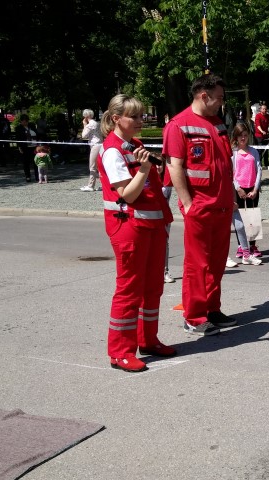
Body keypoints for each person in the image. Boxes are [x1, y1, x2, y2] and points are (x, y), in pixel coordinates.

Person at [97, 94, 175, 372]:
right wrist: (144, 168)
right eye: (135, 116)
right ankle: (120, 352)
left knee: (153, 287)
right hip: (129, 228)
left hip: (151, 226)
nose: (141, 120)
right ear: (116, 119)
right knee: (129, 290)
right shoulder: (112, 151)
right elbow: (128, 195)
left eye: (142, 115)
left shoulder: (135, 145)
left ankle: (148, 340)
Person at [163, 73, 238, 336]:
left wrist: (231, 196)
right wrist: (187, 203)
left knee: (216, 262)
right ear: (204, 96)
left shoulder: (217, 123)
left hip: (222, 204)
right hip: (200, 206)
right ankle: (194, 316)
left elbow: (225, 164)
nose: (221, 103)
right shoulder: (178, 125)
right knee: (198, 265)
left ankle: (212, 309)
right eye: (219, 98)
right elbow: (174, 167)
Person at [230, 123, 263, 265]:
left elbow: (259, 170)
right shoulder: (233, 153)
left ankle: (252, 245)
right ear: (236, 137)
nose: (243, 138)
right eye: (240, 136)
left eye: (245, 135)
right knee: (240, 220)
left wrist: (255, 189)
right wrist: (238, 188)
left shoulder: (253, 151)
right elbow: (231, 172)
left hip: (252, 188)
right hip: (239, 189)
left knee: (253, 218)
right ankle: (241, 246)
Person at [80, 109, 103, 192]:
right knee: (99, 166)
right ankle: (104, 185)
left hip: (95, 146)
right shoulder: (97, 123)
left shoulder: (90, 124)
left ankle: (91, 186)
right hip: (100, 144)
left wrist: (84, 125)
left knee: (92, 166)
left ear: (86, 116)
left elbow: (84, 135)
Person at [15, 114, 37, 182]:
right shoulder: (18, 128)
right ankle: (28, 176)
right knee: (26, 162)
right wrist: (19, 147)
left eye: (26, 121)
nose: (24, 123)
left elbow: (37, 134)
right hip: (25, 147)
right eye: (23, 121)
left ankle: (37, 176)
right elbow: (18, 138)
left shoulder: (32, 126)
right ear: (21, 121)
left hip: (34, 146)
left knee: (36, 161)